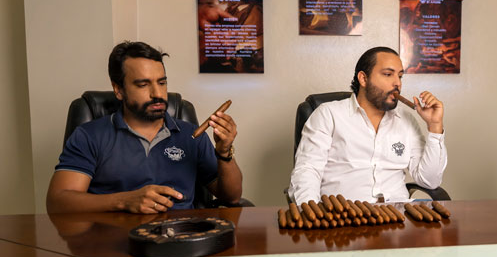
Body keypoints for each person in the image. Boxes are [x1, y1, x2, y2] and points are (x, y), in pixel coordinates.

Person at [46, 41, 243, 214]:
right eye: (143, 85)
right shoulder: (89, 136)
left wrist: (224, 152)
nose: (157, 93)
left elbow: (232, 198)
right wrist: (124, 201)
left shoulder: (191, 135)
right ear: (118, 90)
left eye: (162, 82)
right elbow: (58, 202)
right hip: (113, 243)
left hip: (182, 240)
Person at [289, 46, 447, 204]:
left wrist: (435, 126)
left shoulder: (406, 120)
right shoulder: (328, 115)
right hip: (345, 216)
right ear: (363, 79)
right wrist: (311, 214)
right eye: (387, 74)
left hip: (397, 216)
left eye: (400, 76)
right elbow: (307, 172)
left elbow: (430, 181)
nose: (397, 83)